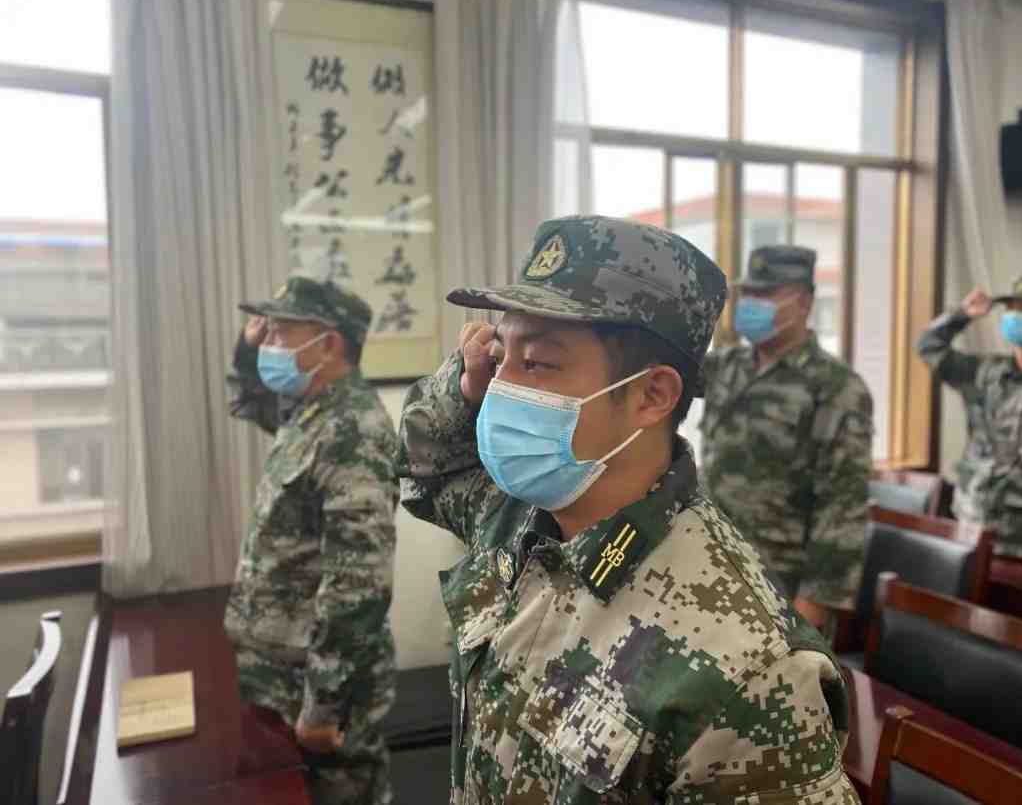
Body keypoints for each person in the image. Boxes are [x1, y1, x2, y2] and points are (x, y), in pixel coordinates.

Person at [396, 216, 858, 804]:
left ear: (652, 394)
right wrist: (460, 385)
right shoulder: (517, 517)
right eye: (498, 354)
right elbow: (424, 469)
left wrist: (818, 597)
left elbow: (842, 502)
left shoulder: (750, 670)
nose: (500, 387)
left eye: (535, 363)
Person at [224, 275, 399, 804]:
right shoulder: (309, 409)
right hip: (278, 676)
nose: (270, 344)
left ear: (329, 345)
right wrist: (248, 348)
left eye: (282, 333)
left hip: (316, 686)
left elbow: (358, 586)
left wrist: (323, 705)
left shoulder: (353, 430)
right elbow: (249, 399)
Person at [699, 245, 873, 624]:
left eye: (766, 294)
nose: (751, 304)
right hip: (709, 569)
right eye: (748, 293)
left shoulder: (836, 387)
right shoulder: (726, 366)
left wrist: (809, 614)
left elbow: (842, 508)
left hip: (779, 586)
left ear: (804, 303)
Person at [918, 274, 1022, 568]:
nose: (1018, 315)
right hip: (971, 529)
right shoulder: (983, 373)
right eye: (1012, 307)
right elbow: (928, 346)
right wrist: (962, 315)